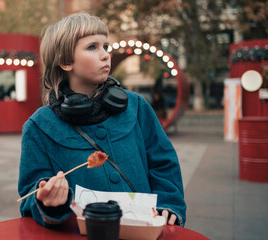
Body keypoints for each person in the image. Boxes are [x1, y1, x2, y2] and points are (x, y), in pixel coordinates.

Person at [18, 12, 186, 228]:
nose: (105, 55)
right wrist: (48, 202)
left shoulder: (136, 106)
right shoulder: (38, 126)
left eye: (105, 46)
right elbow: (28, 198)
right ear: (65, 61)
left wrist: (169, 204)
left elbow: (164, 163)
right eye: (92, 47)